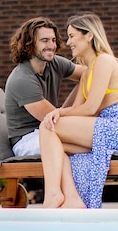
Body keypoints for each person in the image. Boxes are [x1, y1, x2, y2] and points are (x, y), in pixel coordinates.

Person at [39, 11, 118, 209]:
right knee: (55, 144)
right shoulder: (87, 72)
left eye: (71, 36)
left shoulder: (104, 60)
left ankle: (53, 195)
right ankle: (72, 198)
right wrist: (61, 112)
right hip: (103, 128)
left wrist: (59, 113)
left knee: (49, 127)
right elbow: (78, 109)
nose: (68, 43)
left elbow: (91, 108)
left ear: (89, 35)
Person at [5, 16, 84, 157]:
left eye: (53, 40)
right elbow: (54, 121)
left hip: (48, 129)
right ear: (29, 44)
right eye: (44, 40)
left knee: (87, 80)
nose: (51, 45)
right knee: (85, 144)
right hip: (27, 140)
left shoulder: (54, 63)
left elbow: (90, 74)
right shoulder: (22, 79)